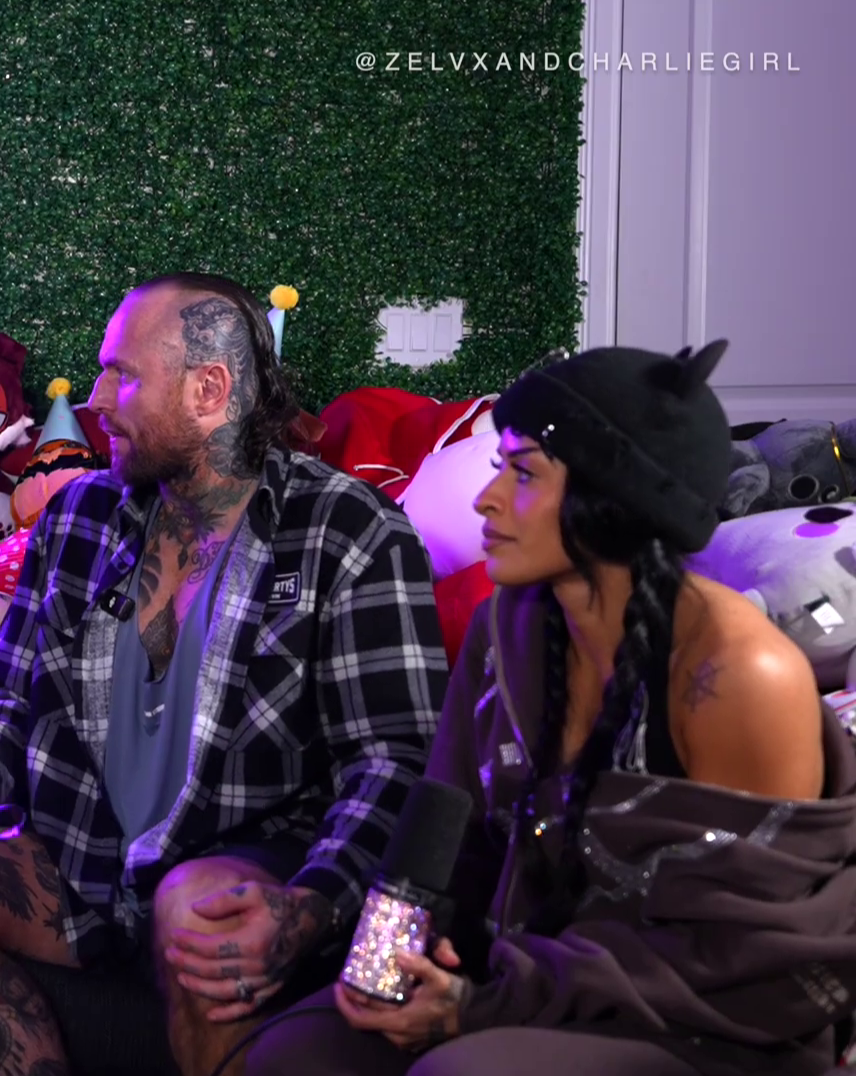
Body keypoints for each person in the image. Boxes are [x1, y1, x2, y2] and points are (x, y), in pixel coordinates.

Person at [0, 273, 450, 1076]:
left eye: (123, 376)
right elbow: (7, 696)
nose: (98, 399)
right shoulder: (77, 515)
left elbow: (393, 762)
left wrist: (312, 903)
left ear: (210, 391)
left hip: (243, 863)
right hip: (81, 860)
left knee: (196, 911)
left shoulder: (349, 530)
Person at [247, 343, 856, 1076]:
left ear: (616, 500)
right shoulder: (505, 626)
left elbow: (739, 954)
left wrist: (478, 1009)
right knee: (295, 1050)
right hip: (528, 972)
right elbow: (448, 828)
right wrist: (393, 963)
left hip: (709, 1020)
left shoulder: (739, 673)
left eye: (524, 473)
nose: (486, 498)